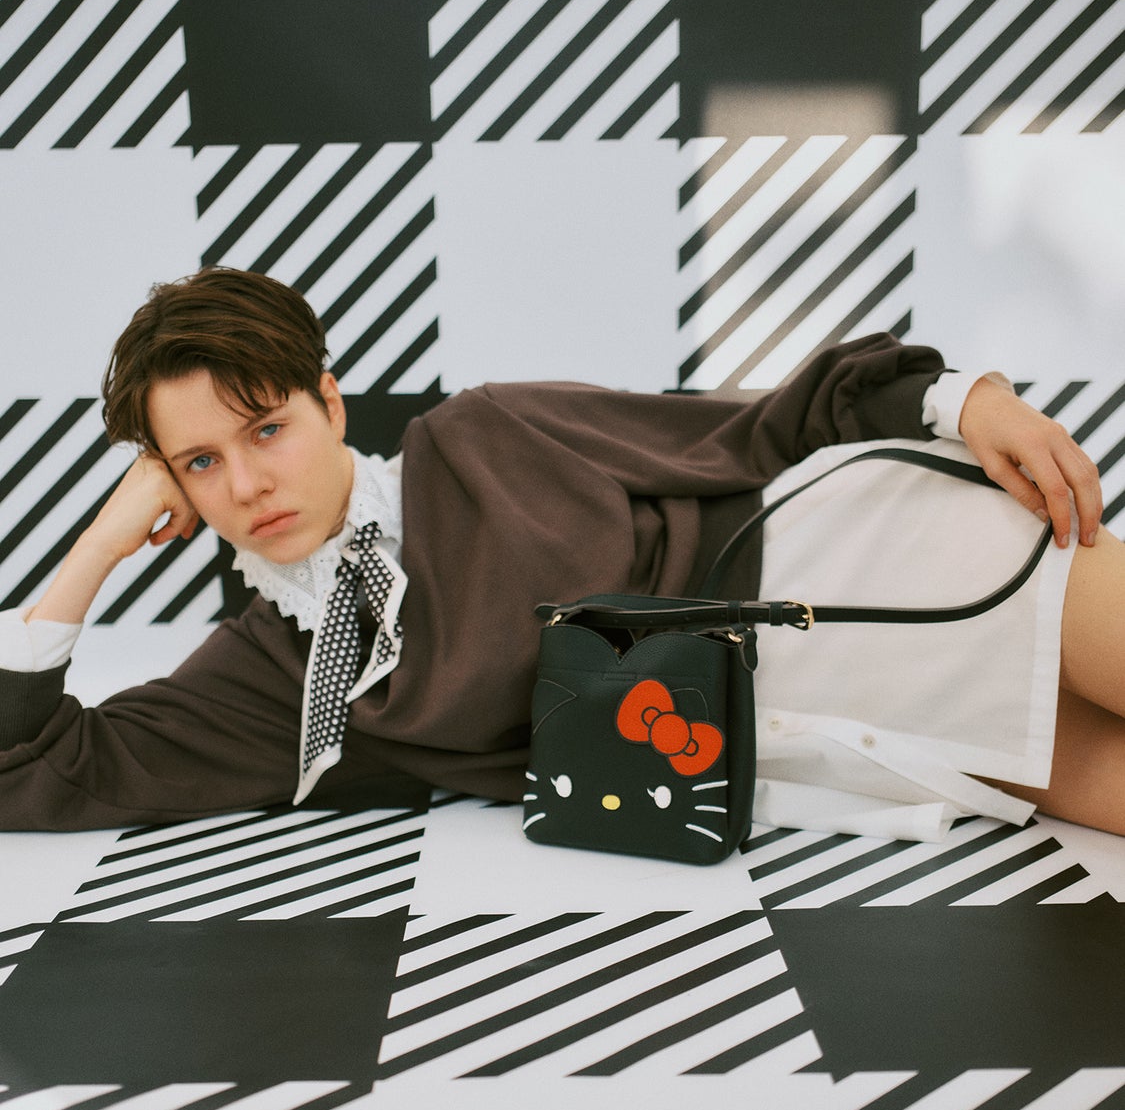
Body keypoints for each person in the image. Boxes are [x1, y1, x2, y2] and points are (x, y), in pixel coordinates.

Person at [0, 268, 1114, 840]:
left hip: (861, 559)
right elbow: (31, 772)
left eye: (265, 430)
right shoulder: (282, 676)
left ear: (329, 405)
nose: (245, 485)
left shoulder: (480, 437)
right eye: (198, 462)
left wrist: (963, 400)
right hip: (814, 721)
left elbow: (753, 431)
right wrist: (95, 546)